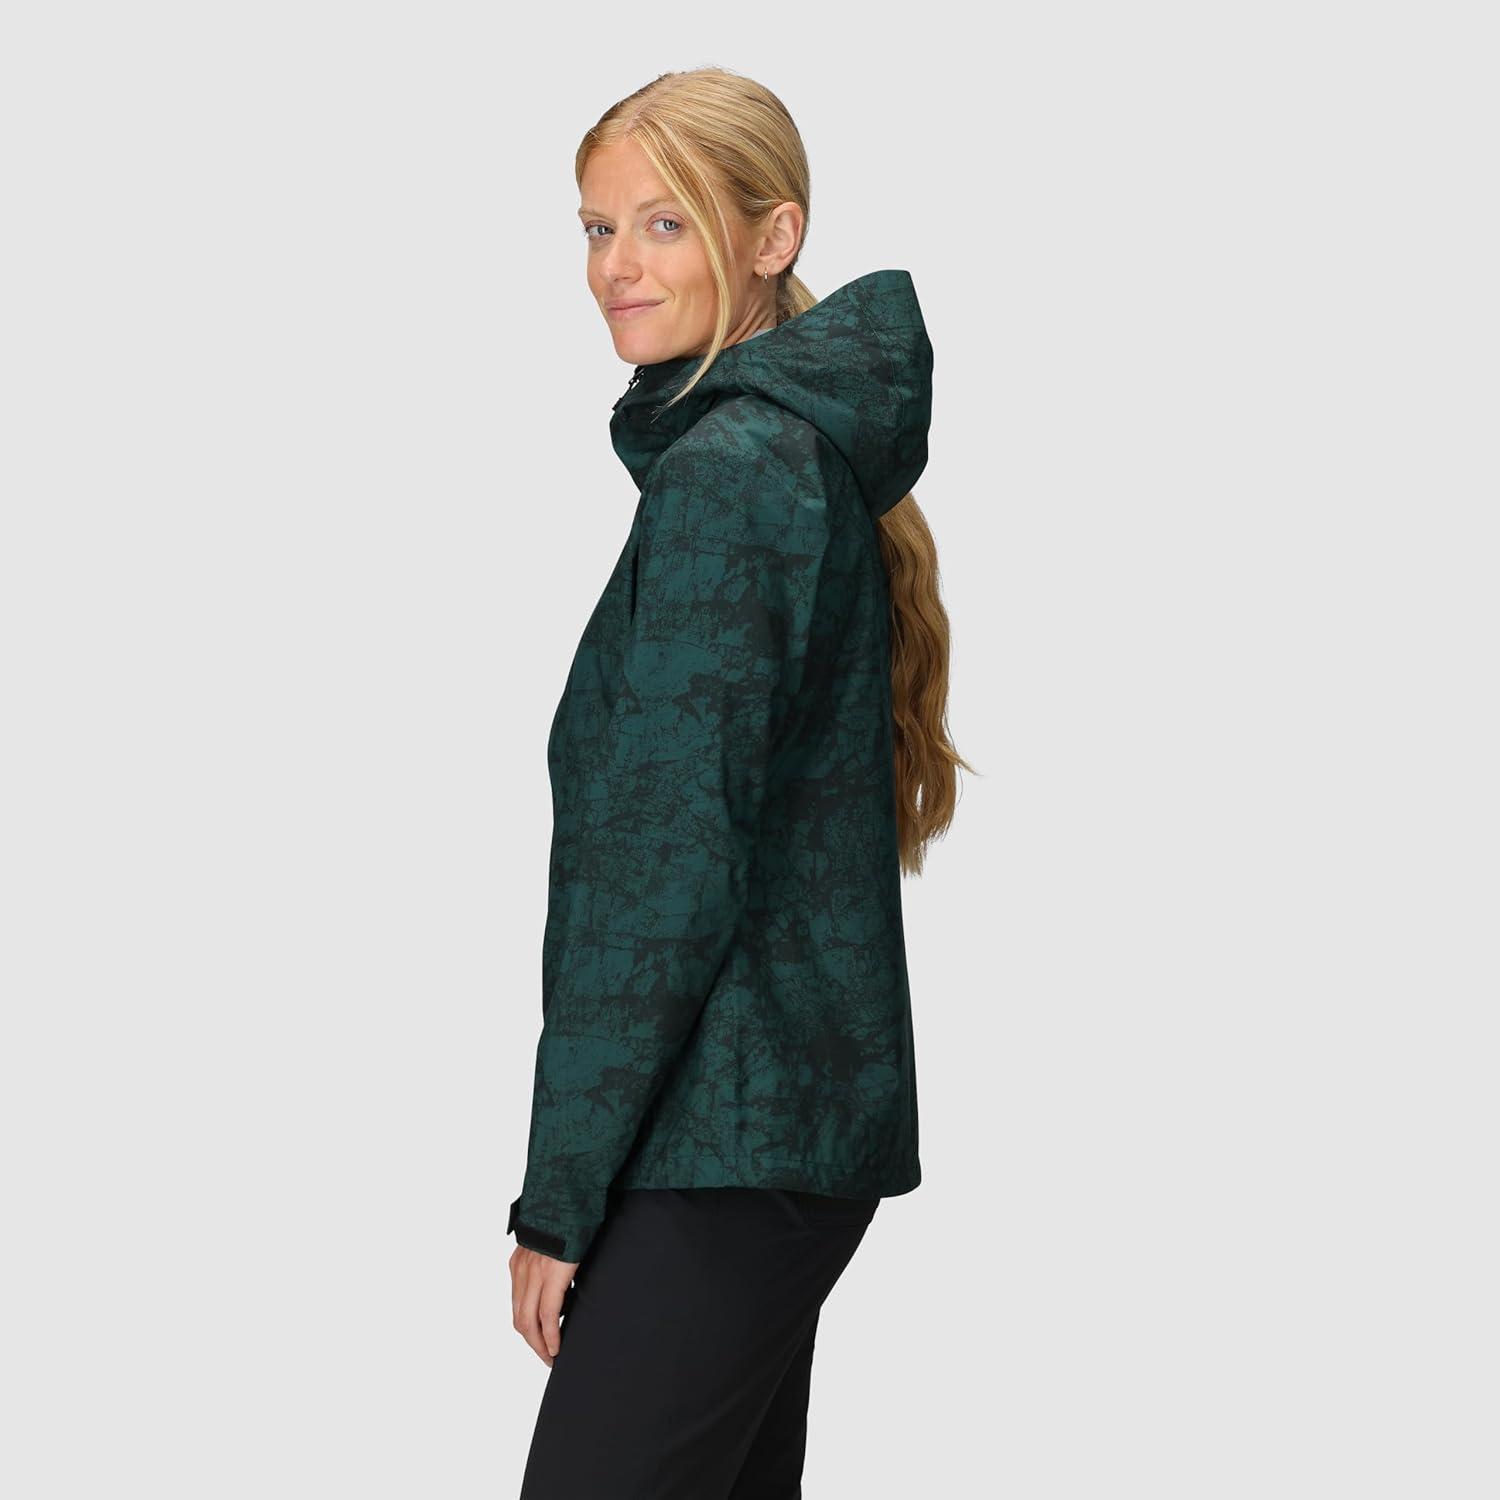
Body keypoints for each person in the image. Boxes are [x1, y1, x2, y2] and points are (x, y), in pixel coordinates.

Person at [507, 66, 970, 1498]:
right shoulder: (784, 456)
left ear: (774, 237)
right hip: (769, 1138)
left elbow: (662, 872)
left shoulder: (735, 470)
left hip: (722, 1139)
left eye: (666, 224)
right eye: (597, 229)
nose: (617, 268)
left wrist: (560, 1196)